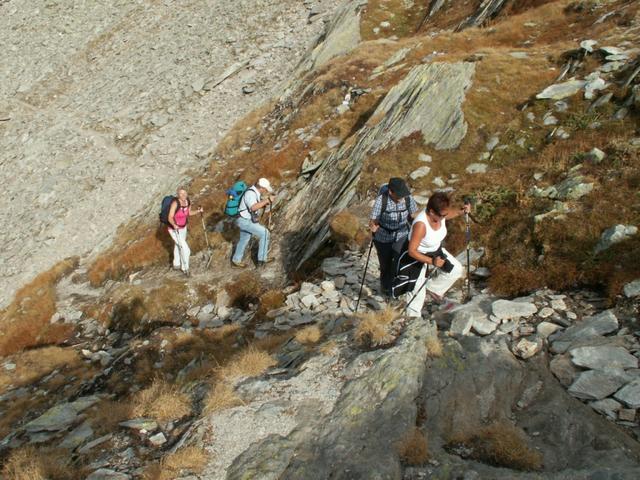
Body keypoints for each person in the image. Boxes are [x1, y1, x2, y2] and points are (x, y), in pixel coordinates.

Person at [405, 191, 470, 317]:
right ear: (431, 212)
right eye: (442, 215)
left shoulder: (440, 215)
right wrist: (432, 262)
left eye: (445, 214)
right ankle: (412, 321)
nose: (444, 217)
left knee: (456, 270)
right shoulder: (421, 225)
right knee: (417, 291)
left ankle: (431, 289)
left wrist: (461, 211)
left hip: (435, 250)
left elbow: (448, 214)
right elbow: (411, 251)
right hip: (418, 255)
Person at [369, 178, 418, 297]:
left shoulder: (407, 198)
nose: (402, 197)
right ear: (391, 192)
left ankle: (396, 288)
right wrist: (373, 227)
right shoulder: (381, 201)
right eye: (399, 195)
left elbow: (413, 214)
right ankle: (385, 286)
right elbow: (373, 220)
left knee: (399, 261)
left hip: (402, 234)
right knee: (385, 264)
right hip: (383, 237)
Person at [232, 177, 275, 268]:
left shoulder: (254, 191)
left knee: (244, 240)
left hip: (243, 219)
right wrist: (267, 200)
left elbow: (254, 206)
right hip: (245, 221)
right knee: (265, 233)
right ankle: (262, 260)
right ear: (261, 188)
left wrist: (264, 203)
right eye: (265, 189)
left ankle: (236, 261)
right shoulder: (250, 194)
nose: (265, 191)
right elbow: (253, 208)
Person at [168, 187, 203, 277]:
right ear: (178, 195)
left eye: (185, 193)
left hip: (183, 228)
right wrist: (174, 225)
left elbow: (188, 213)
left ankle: (176, 263)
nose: (183, 195)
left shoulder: (187, 201)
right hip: (174, 229)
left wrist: (198, 211)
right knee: (186, 249)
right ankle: (185, 268)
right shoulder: (175, 203)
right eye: (181, 194)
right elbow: (170, 217)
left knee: (178, 244)